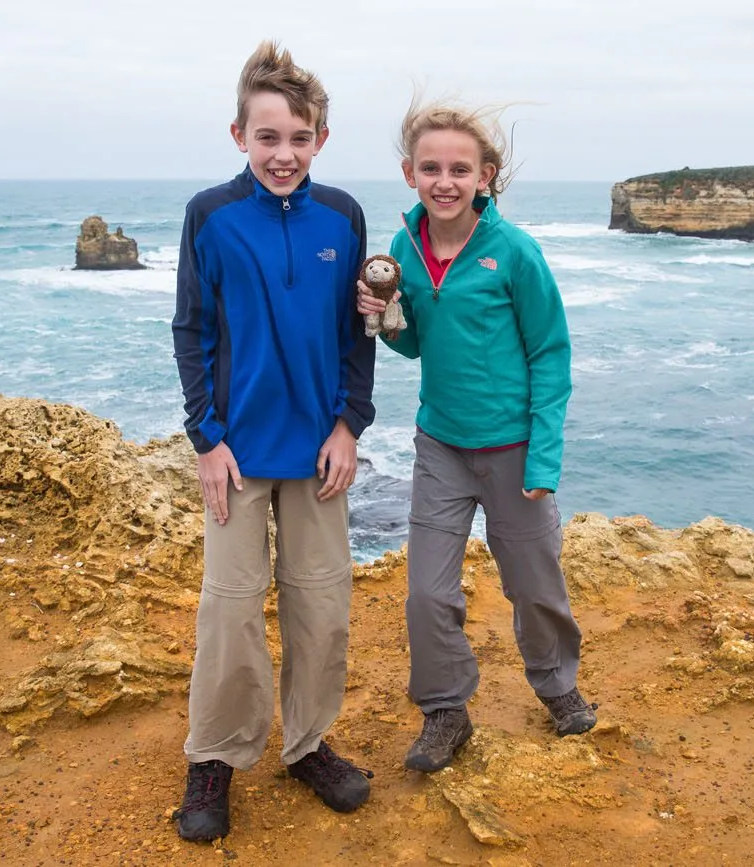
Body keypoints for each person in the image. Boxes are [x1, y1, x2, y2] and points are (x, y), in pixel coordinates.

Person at [169, 40, 376, 842]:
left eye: (299, 138)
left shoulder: (344, 217)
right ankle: (216, 752)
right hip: (238, 453)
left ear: (320, 138)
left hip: (320, 451)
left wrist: (348, 423)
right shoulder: (210, 216)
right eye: (268, 138)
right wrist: (205, 440)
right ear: (238, 136)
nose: (283, 153)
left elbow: (359, 331)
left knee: (321, 607)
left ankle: (307, 742)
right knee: (230, 611)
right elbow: (192, 331)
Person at [357, 96, 596, 773]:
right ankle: (445, 710)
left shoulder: (514, 252)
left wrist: (544, 454)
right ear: (410, 174)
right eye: (430, 167)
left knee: (534, 583)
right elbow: (417, 347)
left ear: (484, 176)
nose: (445, 180)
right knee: (428, 591)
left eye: (460, 168)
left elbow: (551, 352)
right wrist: (389, 319)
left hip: (514, 446)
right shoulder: (404, 247)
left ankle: (558, 687)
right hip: (441, 445)